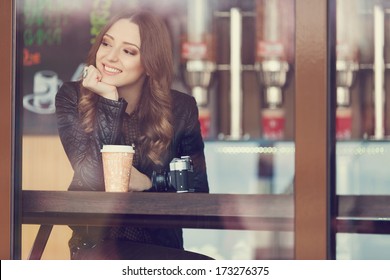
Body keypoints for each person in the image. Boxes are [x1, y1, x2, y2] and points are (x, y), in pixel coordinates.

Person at [55, 9, 211, 260]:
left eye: (128, 51)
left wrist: (149, 183)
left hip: (162, 249)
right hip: (96, 249)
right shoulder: (73, 96)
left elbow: (196, 193)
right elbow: (91, 176)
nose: (110, 57)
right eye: (106, 43)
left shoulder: (180, 108)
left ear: (150, 63)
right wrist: (108, 99)